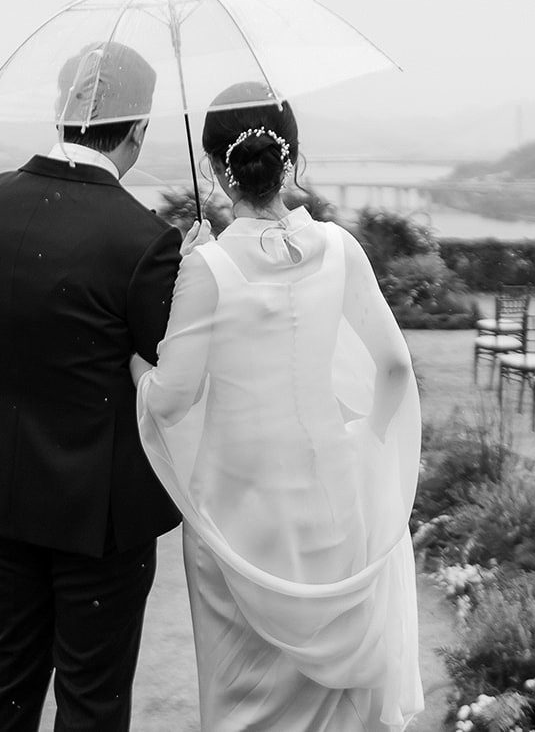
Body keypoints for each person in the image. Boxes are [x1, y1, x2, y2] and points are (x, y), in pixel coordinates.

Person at [133, 82, 424, 731]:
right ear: (292, 158)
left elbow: (172, 399)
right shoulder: (340, 249)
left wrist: (136, 367)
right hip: (332, 494)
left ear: (215, 168)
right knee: (336, 708)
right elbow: (396, 367)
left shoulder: (207, 267)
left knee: (246, 698)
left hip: (239, 515)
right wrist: (366, 446)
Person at [0, 41, 195, 732]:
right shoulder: (143, 239)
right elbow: (165, 361)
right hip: (97, 506)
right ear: (139, 129)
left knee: (9, 672)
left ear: (61, 111)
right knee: (92, 696)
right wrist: (191, 280)